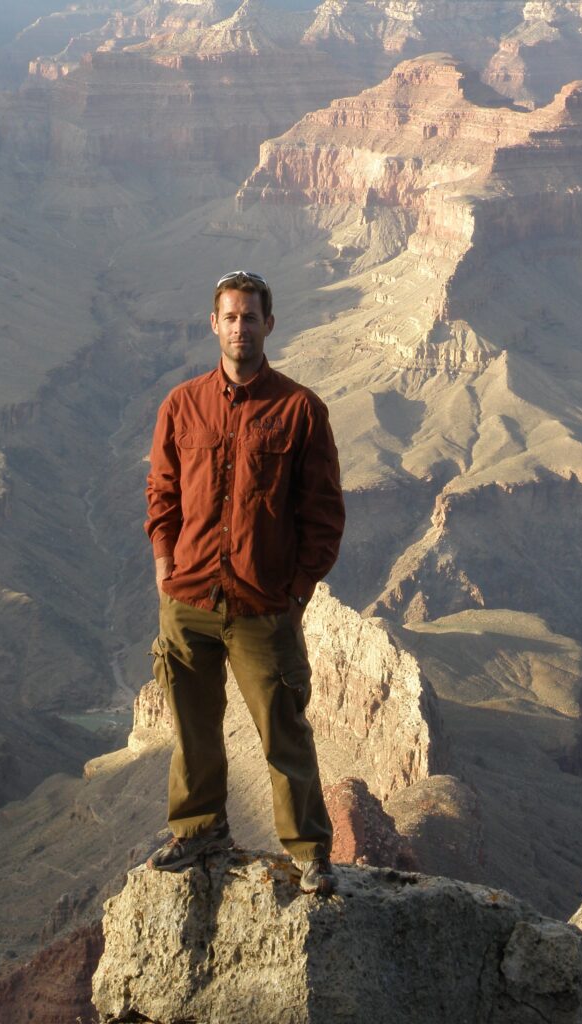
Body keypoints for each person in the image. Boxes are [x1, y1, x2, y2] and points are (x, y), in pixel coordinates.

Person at [143, 270, 345, 895]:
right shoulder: (181, 404)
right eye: (229, 317)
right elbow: (163, 492)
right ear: (214, 324)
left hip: (263, 606)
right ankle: (200, 830)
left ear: (268, 325)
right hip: (190, 597)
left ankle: (309, 849)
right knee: (191, 723)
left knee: (284, 728)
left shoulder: (300, 409)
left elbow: (324, 512)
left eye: (250, 317)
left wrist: (298, 590)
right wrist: (163, 561)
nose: (239, 328)